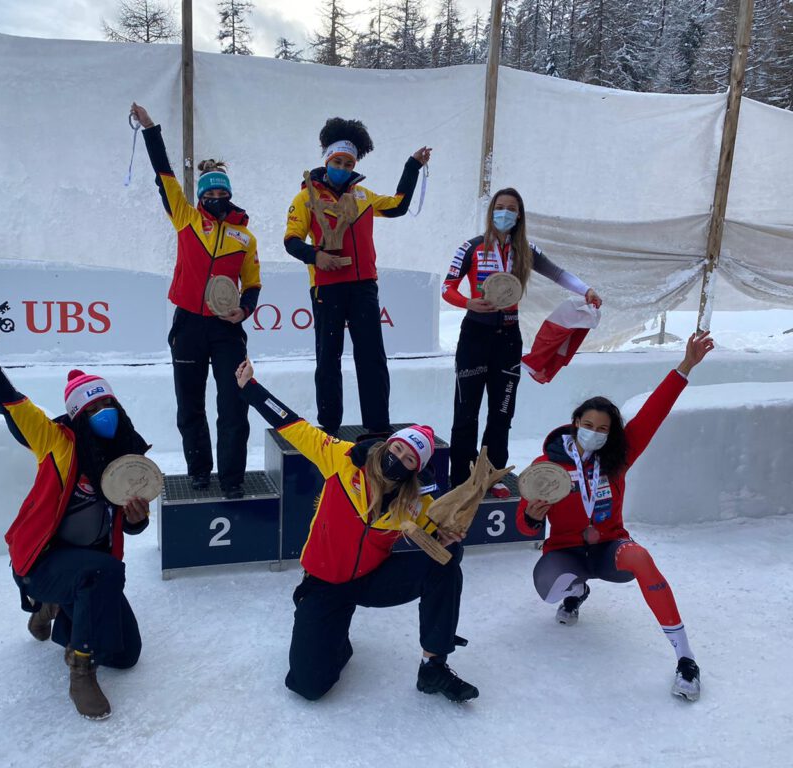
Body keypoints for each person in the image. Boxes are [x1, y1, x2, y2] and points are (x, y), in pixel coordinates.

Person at [0, 301, 153, 720]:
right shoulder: (57, 443)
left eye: (109, 405)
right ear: (77, 417)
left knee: (127, 654)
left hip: (89, 567)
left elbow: (126, 526)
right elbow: (7, 396)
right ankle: (80, 669)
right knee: (105, 575)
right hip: (42, 563)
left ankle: (55, 611)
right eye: (93, 410)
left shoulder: (128, 458)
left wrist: (137, 519)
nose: (105, 415)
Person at [234, 357, 478, 703]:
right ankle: (332, 633)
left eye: (410, 460)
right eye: (398, 448)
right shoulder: (342, 458)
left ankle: (434, 666)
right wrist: (252, 390)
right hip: (323, 583)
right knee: (307, 686)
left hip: (371, 580)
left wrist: (448, 537)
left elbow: (437, 538)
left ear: (415, 470)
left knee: (447, 561)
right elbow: (293, 425)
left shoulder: (415, 501)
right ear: (387, 445)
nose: (400, 459)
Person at [515, 331, 716, 702]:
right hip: (565, 552)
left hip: (610, 550)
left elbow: (655, 411)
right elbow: (522, 524)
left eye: (603, 429)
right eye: (589, 425)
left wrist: (686, 366)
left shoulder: (617, 459)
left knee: (639, 556)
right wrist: (531, 514)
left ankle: (686, 658)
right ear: (575, 422)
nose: (595, 433)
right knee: (550, 589)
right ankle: (576, 592)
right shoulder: (546, 467)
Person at [132, 102, 261, 499]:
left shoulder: (245, 237)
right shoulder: (186, 218)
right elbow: (164, 175)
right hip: (187, 323)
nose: (217, 197)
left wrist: (246, 309)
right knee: (190, 405)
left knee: (234, 405)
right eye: (211, 192)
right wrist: (151, 128)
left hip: (226, 328)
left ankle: (233, 478)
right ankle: (200, 472)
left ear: (231, 195)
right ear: (201, 197)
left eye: (223, 192)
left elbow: (252, 283)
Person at [442, 187, 602, 493]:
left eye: (511, 209)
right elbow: (447, 287)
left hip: (508, 339)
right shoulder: (471, 247)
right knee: (466, 413)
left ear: (519, 215)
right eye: (500, 207)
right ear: (492, 213)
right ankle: (460, 480)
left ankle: (492, 477)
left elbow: (559, 275)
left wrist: (586, 290)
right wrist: (467, 303)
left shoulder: (526, 250)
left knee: (502, 413)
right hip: (475, 334)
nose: (505, 213)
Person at [284, 117, 430, 436]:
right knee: (328, 358)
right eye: (337, 161)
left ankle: (377, 427)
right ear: (327, 160)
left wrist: (412, 166)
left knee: (371, 357)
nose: (343, 166)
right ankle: (329, 425)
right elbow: (291, 240)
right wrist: (316, 256)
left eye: (348, 163)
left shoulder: (363, 196)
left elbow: (397, 207)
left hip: (364, 286)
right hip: (326, 287)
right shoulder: (305, 197)